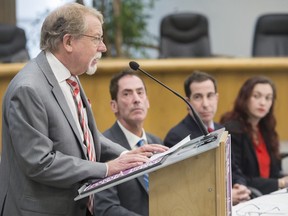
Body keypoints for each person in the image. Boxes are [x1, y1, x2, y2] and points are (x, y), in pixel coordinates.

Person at [0, 3, 167, 216]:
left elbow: (83, 135)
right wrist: (107, 168)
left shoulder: (70, 75)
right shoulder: (28, 89)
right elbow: (40, 163)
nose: (103, 47)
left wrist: (127, 154)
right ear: (69, 42)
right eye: (96, 38)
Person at [164, 70, 251, 205]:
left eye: (210, 96)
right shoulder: (177, 137)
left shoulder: (222, 129)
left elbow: (234, 169)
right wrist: (225, 195)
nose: (205, 104)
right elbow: (186, 187)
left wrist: (240, 185)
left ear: (216, 98)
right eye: (198, 97)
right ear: (188, 102)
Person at [94, 69, 162, 216]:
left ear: (147, 101)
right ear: (114, 106)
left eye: (140, 92)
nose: (136, 99)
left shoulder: (156, 143)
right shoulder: (104, 148)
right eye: (127, 94)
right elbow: (106, 209)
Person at [220, 75, 288, 195]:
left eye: (268, 98)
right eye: (256, 96)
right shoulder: (232, 130)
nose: (263, 103)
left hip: (270, 196)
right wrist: (280, 183)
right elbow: (237, 178)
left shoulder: (267, 129)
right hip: (247, 198)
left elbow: (275, 172)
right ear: (245, 98)